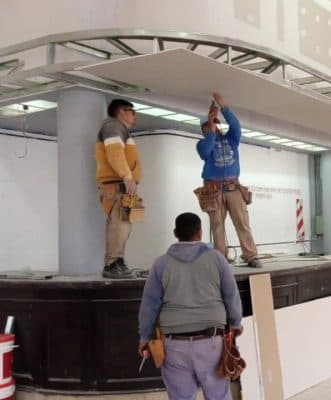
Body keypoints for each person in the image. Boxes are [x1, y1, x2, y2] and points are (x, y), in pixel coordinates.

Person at [138, 212, 243, 400]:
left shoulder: (161, 264)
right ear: (200, 233)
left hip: (174, 346)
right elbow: (231, 295)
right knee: (219, 396)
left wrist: (145, 337)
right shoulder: (217, 259)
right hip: (211, 343)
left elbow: (149, 304)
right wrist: (235, 324)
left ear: (175, 232)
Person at [196, 93, 261, 268]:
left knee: (242, 222)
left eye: (215, 125)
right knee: (217, 226)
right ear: (204, 131)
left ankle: (251, 255)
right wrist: (210, 131)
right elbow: (206, 151)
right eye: (208, 128)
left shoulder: (231, 139)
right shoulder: (202, 144)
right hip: (213, 189)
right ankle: (220, 259)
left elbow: (236, 125)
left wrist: (224, 107)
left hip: (233, 188)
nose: (213, 128)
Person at [95, 99, 141, 279]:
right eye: (132, 111)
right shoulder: (113, 126)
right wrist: (127, 176)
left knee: (123, 225)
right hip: (118, 185)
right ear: (121, 112)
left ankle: (117, 261)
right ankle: (112, 263)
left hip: (121, 185)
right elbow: (114, 153)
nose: (134, 115)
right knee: (119, 225)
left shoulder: (119, 129)